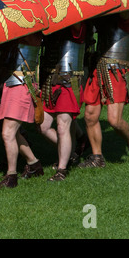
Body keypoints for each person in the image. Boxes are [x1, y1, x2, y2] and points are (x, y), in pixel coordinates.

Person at [80, 10, 129, 167]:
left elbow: (123, 13)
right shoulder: (106, 15)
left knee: (114, 121)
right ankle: (97, 157)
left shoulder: (128, 15)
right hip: (98, 68)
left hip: (116, 71)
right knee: (89, 116)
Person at [0, 33, 44, 189]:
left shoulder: (31, 31)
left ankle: (11, 176)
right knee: (12, 132)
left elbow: (25, 36)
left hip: (21, 84)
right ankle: (34, 164)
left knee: (8, 133)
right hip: (9, 84)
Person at [38, 22, 88, 181]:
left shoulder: (76, 23)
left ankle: (62, 169)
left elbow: (76, 26)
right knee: (42, 125)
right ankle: (70, 153)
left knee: (62, 125)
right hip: (50, 82)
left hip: (68, 81)